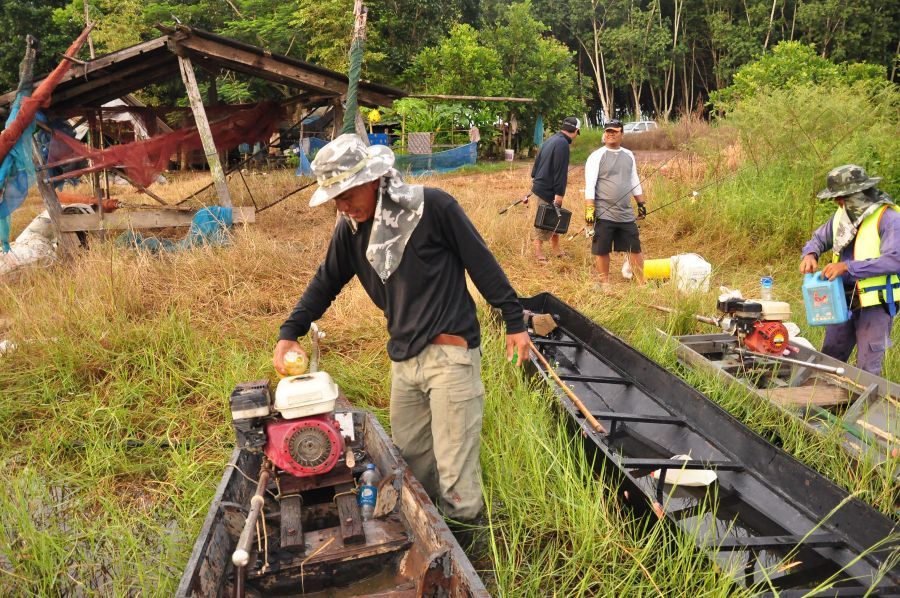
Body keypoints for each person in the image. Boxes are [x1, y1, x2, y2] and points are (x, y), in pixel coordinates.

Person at [272, 134, 531, 521]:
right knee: (411, 462)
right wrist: (289, 331)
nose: (342, 206)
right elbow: (326, 281)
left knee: (455, 472)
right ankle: (429, 537)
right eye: (335, 199)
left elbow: (482, 262)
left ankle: (469, 553)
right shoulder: (351, 230)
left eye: (347, 194)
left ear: (372, 179)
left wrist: (514, 320)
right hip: (404, 360)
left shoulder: (433, 208)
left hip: (451, 353)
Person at [799, 164, 898, 376]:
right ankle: (824, 407)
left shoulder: (889, 218)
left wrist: (847, 267)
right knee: (830, 357)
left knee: (867, 367)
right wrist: (810, 254)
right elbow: (818, 238)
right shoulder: (841, 215)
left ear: (859, 193)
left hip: (874, 305)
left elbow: (894, 260)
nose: (838, 203)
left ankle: (863, 409)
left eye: (841, 198)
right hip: (841, 301)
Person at [583, 119, 647, 289]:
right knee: (602, 249)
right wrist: (590, 211)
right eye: (607, 131)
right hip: (604, 213)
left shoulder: (628, 155)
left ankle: (642, 283)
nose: (610, 134)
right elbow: (590, 185)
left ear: (622, 134)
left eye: (614, 131)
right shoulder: (596, 156)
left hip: (625, 213)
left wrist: (641, 203)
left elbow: (634, 179)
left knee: (635, 248)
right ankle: (605, 284)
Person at [528, 116, 580, 263]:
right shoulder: (563, 144)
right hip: (548, 188)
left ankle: (557, 250)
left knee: (554, 218)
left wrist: (535, 177)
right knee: (543, 219)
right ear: (576, 131)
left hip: (540, 184)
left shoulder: (550, 139)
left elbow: (537, 161)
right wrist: (559, 193)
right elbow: (560, 171)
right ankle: (538, 254)